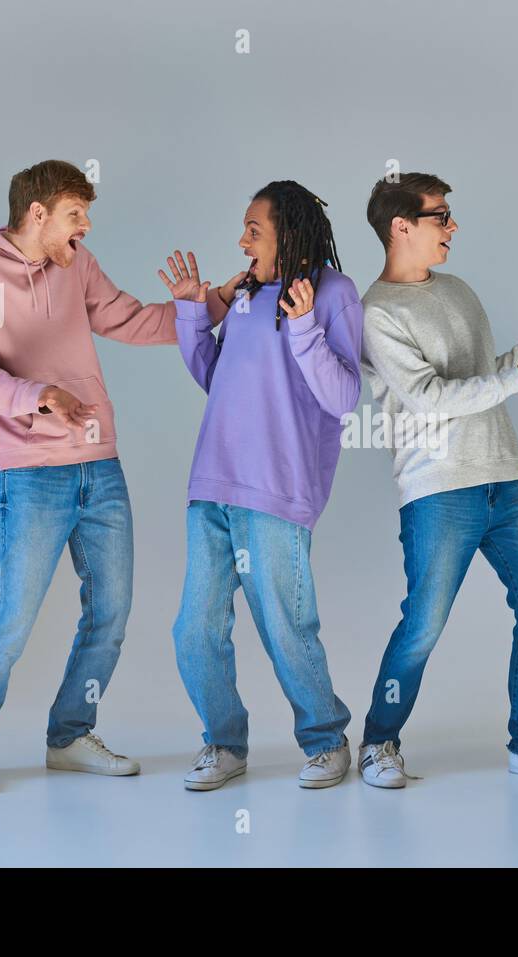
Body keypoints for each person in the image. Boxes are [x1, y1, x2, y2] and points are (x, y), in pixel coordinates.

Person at [0, 159, 178, 794]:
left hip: (99, 463)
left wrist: (209, 308)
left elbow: (131, 319)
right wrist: (40, 394)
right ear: (37, 213)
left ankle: (70, 735)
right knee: (12, 617)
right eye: (77, 214)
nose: (87, 227)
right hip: (30, 472)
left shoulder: (78, 265)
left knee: (113, 610)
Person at [356, 172, 518, 789]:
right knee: (424, 623)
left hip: (506, 478)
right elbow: (429, 398)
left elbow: (485, 378)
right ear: (400, 226)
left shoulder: (458, 289)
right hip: (437, 488)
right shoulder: (376, 312)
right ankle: (379, 741)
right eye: (440, 216)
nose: (452, 227)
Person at [162, 181, 363, 790]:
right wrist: (193, 313)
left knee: (284, 624)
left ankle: (326, 738)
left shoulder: (334, 295)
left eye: (253, 228)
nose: (242, 240)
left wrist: (303, 328)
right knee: (194, 628)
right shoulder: (247, 293)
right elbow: (214, 377)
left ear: (289, 231)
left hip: (277, 489)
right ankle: (224, 743)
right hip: (212, 484)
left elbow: (344, 397)